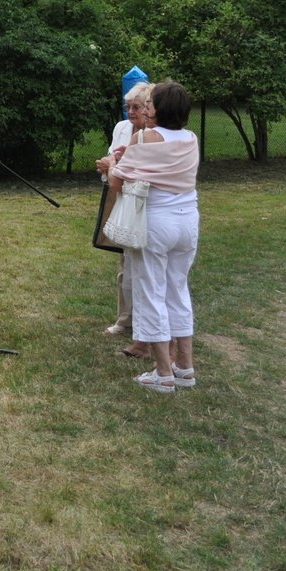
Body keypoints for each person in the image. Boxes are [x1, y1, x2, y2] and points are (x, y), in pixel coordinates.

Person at [107, 80, 200, 393]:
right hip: (188, 221)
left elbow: (117, 182)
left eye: (149, 104)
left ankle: (163, 373)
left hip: (157, 222)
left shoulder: (145, 137)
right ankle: (184, 367)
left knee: (152, 292)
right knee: (178, 289)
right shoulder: (191, 138)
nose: (144, 109)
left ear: (160, 109)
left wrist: (111, 163)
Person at [97, 79, 155, 357]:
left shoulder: (155, 135)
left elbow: (130, 170)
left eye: (136, 107)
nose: (130, 112)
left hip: (142, 202)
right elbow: (111, 160)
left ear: (149, 109)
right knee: (124, 262)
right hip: (119, 198)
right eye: (127, 107)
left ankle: (144, 327)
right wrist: (106, 165)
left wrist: (113, 166)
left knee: (141, 266)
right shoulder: (122, 128)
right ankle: (125, 319)